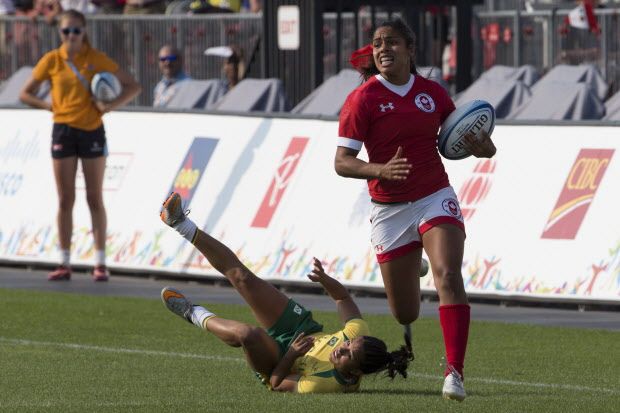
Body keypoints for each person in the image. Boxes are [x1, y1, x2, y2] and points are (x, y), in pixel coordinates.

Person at [335, 19, 497, 402]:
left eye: (391, 42)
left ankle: (454, 373)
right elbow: (342, 162)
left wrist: (480, 144)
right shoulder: (363, 99)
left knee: (448, 274)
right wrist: (379, 170)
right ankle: (414, 264)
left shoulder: (432, 93)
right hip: (389, 210)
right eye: (376, 43)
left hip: (433, 194)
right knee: (405, 314)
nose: (382, 48)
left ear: (410, 49)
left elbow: (478, 147)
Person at [159, 192, 412, 393]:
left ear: (355, 373)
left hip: (279, 360)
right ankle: (181, 223)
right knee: (243, 278)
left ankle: (193, 313)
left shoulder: (327, 384)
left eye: (348, 355)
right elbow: (342, 298)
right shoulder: (359, 335)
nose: (343, 348)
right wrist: (325, 280)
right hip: (301, 328)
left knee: (247, 334)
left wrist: (291, 354)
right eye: (348, 344)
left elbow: (278, 383)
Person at [19, 9, 141, 281]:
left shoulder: (95, 59)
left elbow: (132, 86)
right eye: (66, 31)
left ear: (84, 31)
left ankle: (100, 261)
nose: (72, 36)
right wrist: (47, 104)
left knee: (94, 197)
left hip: (91, 130)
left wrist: (108, 106)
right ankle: (64, 260)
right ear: (60, 33)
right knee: (65, 198)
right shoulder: (52, 60)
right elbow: (25, 93)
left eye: (76, 30)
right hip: (63, 129)